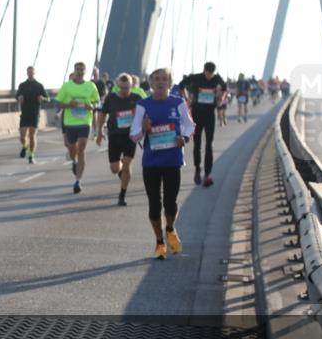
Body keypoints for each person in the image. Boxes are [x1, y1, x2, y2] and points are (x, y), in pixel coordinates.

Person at [129, 68, 195, 259]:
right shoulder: (143, 105)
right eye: (156, 79)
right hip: (151, 162)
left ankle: (170, 228)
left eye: (164, 79)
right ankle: (159, 242)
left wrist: (184, 137)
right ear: (150, 83)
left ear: (170, 83)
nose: (160, 82)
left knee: (171, 202)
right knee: (154, 204)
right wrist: (143, 129)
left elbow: (189, 125)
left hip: (173, 159)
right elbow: (134, 135)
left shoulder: (178, 103)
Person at [55, 62, 101, 194]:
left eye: (82, 69)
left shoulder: (90, 86)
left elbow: (97, 101)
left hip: (85, 121)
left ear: (85, 72)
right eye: (77, 69)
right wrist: (69, 104)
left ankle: (78, 181)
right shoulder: (67, 86)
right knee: (72, 149)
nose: (80, 71)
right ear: (74, 71)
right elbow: (58, 103)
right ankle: (74, 161)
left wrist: (92, 106)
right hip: (70, 123)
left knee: (81, 148)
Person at [180, 62, 227, 187]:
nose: (209, 76)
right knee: (197, 145)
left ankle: (207, 173)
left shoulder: (217, 78)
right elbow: (181, 84)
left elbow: (224, 88)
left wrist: (221, 98)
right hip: (197, 113)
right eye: (207, 74)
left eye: (211, 74)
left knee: (209, 145)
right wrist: (187, 99)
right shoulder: (196, 77)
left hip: (209, 114)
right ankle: (197, 169)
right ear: (204, 71)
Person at [96, 73, 140, 206]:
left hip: (130, 136)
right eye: (121, 87)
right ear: (117, 86)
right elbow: (103, 114)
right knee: (115, 169)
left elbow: (145, 114)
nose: (124, 90)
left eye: (127, 87)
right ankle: (121, 168)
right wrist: (99, 132)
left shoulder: (137, 98)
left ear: (131, 86)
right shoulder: (111, 98)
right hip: (114, 135)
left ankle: (122, 195)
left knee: (127, 164)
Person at [15, 66, 48, 163]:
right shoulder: (22, 85)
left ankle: (31, 155)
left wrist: (42, 98)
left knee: (32, 136)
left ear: (34, 73)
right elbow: (16, 96)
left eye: (32, 72)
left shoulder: (39, 85)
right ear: (27, 73)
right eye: (28, 72)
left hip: (34, 113)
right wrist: (19, 98)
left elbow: (48, 98)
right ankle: (25, 146)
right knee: (22, 136)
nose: (30, 74)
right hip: (25, 113)